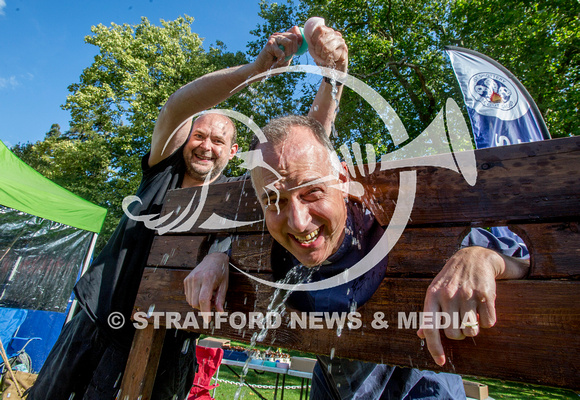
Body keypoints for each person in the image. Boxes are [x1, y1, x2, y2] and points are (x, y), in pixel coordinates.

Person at [28, 24, 348, 400]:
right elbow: (178, 107)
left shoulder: (242, 200)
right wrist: (256, 68)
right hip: (97, 327)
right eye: (199, 135)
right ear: (184, 141)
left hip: (171, 349)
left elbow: (306, 152)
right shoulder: (163, 170)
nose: (206, 146)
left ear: (233, 154)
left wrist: (333, 78)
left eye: (219, 140)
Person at [248, 115, 530, 399]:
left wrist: (481, 257)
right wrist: (218, 257)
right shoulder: (281, 252)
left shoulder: (397, 227)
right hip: (332, 387)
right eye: (274, 201)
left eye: (312, 192)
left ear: (343, 180)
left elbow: (530, 263)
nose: (298, 222)